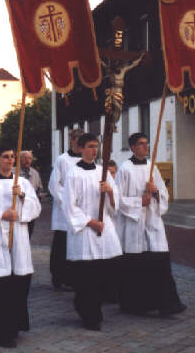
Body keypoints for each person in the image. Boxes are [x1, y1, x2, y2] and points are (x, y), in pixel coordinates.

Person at [0, 145, 41, 349]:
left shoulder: (21, 182)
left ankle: (15, 326)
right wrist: (2, 215)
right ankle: (1, 332)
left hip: (18, 238)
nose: (10, 160)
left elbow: (36, 207)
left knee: (18, 284)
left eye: (12, 157)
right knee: (1, 286)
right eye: (5, 157)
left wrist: (21, 197)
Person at [115, 132, 186, 316]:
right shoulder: (125, 169)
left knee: (160, 261)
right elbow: (117, 199)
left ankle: (168, 304)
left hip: (153, 222)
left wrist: (156, 193)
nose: (146, 147)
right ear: (132, 147)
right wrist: (140, 202)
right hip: (134, 225)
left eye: (147, 143)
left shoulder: (152, 167)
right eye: (141, 144)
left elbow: (164, 192)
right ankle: (134, 304)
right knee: (136, 266)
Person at [62, 133, 122, 330]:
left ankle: (92, 309)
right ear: (80, 149)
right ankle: (89, 314)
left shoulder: (102, 171)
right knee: (86, 277)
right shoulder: (73, 173)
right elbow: (69, 206)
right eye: (89, 146)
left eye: (96, 146)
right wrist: (89, 222)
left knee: (101, 274)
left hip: (103, 230)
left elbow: (115, 206)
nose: (94, 150)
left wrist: (110, 192)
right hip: (85, 232)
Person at [48, 128, 84, 290]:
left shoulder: (86, 160)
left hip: (80, 210)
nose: (78, 143)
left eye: (81, 140)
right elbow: (54, 185)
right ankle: (58, 276)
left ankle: (73, 278)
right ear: (71, 141)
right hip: (64, 211)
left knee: (76, 245)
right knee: (61, 246)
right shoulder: (62, 160)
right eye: (76, 140)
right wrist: (68, 201)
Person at [19, 150, 43, 238]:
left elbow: (39, 188)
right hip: (18, 209)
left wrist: (39, 195)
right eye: (25, 158)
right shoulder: (14, 172)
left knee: (28, 234)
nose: (27, 160)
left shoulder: (35, 173)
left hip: (30, 209)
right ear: (20, 159)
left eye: (29, 158)